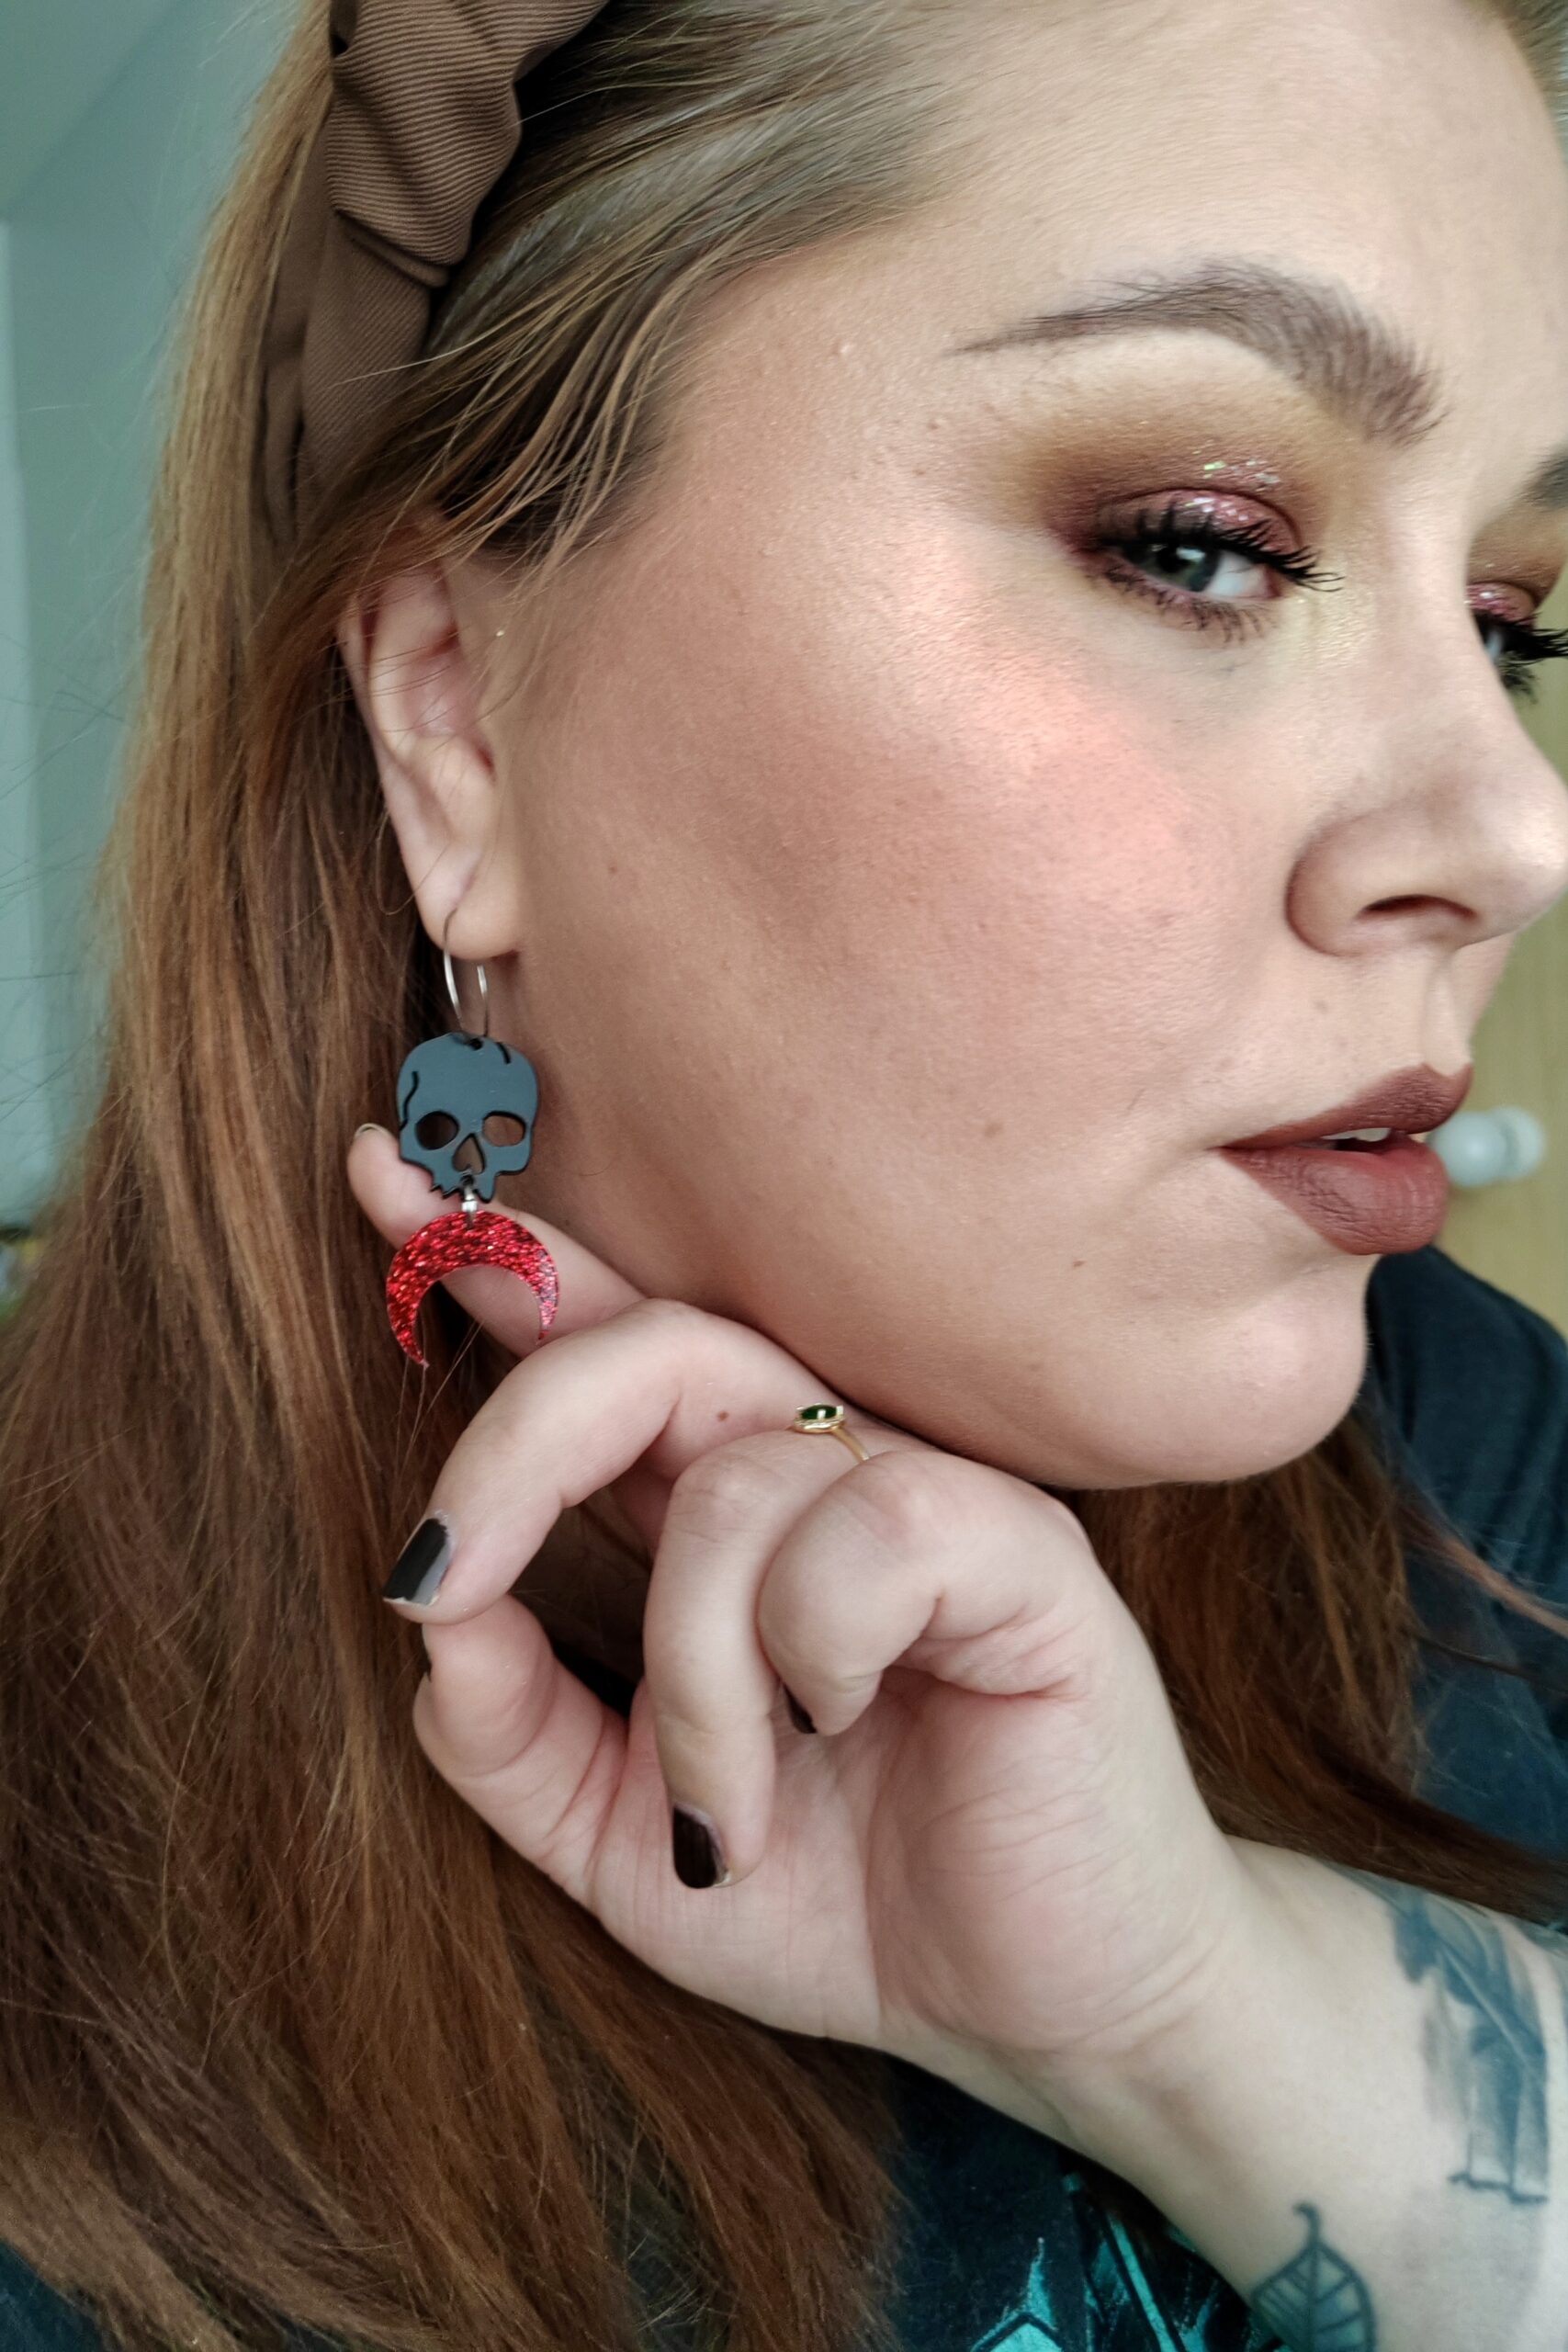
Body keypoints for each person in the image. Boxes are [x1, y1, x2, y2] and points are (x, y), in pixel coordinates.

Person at [4, 0, 1568, 2344]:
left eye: (1507, 622)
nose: (1512, 834)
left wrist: (1197, 2010)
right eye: (1201, 546)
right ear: (456, 719)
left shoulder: (1465, 1458)